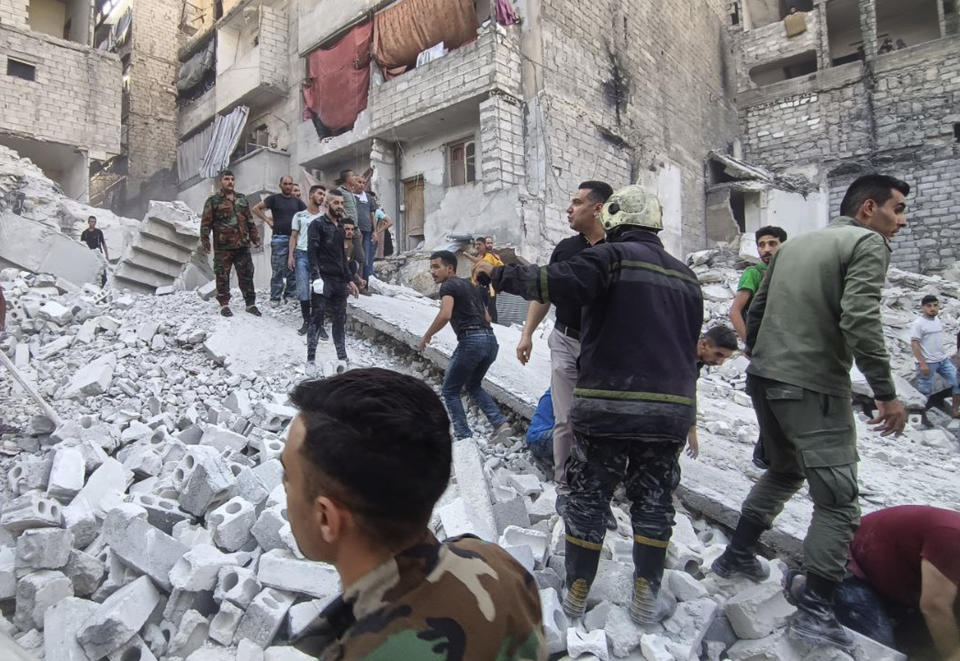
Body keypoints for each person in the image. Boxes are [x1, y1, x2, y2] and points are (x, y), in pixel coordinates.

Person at [475, 185, 703, 626]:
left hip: (610, 405)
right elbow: (688, 348)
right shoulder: (685, 277)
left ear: (614, 220)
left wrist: (495, 274)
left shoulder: (609, 258)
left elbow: (550, 282)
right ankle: (646, 589)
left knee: (589, 494)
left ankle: (578, 588)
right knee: (654, 499)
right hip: (670, 411)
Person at [711, 174, 910, 653]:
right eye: (897, 209)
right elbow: (859, 318)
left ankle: (735, 557)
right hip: (812, 384)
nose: (901, 220)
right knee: (838, 500)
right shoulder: (866, 243)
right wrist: (885, 391)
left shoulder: (796, 247)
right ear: (868, 208)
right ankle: (817, 611)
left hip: (765, 377)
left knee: (784, 470)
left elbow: (753, 313)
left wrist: (763, 358)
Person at [281, 369, 546, 659]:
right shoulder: (498, 565)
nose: (283, 486)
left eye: (287, 475)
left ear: (326, 518)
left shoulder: (360, 651)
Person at [515, 181, 610, 505]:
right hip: (567, 341)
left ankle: (600, 486)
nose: (569, 208)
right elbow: (544, 292)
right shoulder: (567, 250)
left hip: (606, 349)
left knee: (601, 419)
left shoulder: (619, 249)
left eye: (577, 202)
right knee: (565, 419)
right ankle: (565, 487)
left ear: (597, 208)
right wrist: (527, 333)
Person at [826, 505, 960, 659]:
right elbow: (934, 606)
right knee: (880, 654)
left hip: (894, 583)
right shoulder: (953, 538)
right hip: (850, 567)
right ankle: (807, 589)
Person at [419, 250, 512, 442]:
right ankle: (500, 424)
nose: (433, 272)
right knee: (473, 385)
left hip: (471, 340)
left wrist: (427, 335)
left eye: (437, 267)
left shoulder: (448, 285)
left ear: (450, 268)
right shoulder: (471, 286)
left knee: (449, 390)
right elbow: (488, 317)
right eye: (431, 268)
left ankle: (464, 437)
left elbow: (446, 314)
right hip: (490, 342)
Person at [730, 225, 787, 470]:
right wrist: (750, 344)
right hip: (765, 352)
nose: (766, 249)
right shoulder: (755, 273)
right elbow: (735, 311)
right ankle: (766, 456)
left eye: (772, 243)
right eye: (762, 244)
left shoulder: (788, 274)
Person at [305, 189, 359, 375]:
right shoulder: (317, 224)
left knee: (339, 320)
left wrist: (349, 280)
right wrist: (315, 278)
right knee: (316, 319)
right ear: (327, 204)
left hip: (338, 282)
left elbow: (342, 258)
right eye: (336, 203)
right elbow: (311, 254)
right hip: (323, 280)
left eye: (342, 203)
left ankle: (342, 358)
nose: (340, 207)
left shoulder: (340, 228)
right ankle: (310, 360)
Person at [200, 170, 261, 317]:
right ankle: (224, 304)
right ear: (221, 182)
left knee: (246, 274)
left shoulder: (242, 199)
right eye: (227, 179)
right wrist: (205, 240)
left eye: (232, 179)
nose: (230, 182)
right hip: (223, 247)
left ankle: (250, 304)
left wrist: (255, 238)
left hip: (242, 246)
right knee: (222, 275)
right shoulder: (213, 201)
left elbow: (250, 221)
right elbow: (206, 223)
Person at [687, 325, 740, 459]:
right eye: (718, 355)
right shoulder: (680, 356)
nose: (720, 362)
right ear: (704, 344)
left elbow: (688, 394)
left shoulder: (696, 363)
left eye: (725, 358)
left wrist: (692, 431)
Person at [253, 175, 307, 304]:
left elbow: (307, 215)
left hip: (294, 239)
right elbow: (255, 208)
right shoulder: (274, 199)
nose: (288, 186)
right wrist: (267, 220)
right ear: (280, 185)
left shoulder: (297, 201)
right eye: (285, 184)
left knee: (292, 268)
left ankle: (290, 295)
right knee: (277, 269)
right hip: (279, 238)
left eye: (290, 184)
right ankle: (275, 297)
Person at [911, 294, 960, 417]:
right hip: (928, 362)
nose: (933, 308)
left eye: (935, 305)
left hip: (943, 360)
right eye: (929, 306)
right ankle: (921, 416)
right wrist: (922, 363)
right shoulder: (919, 324)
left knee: (956, 382)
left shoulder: (937, 320)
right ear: (923, 307)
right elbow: (914, 344)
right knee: (925, 391)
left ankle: (955, 410)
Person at [289, 185, 326, 335]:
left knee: (319, 289)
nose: (322, 197)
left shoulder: (324, 217)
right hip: (302, 255)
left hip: (319, 257)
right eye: (319, 194)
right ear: (311, 195)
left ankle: (320, 325)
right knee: (303, 289)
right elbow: (293, 236)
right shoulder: (299, 216)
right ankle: (306, 321)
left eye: (324, 195)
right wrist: (290, 255)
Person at [464, 237, 504, 323]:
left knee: (491, 307)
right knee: (479, 306)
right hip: (477, 287)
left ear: (484, 245)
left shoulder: (492, 256)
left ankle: (494, 325)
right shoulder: (478, 257)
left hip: (490, 286)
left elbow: (501, 268)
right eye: (476, 244)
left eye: (480, 244)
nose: (477, 246)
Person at [342, 219, 367, 295]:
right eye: (347, 229)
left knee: (354, 264)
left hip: (344, 272)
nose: (350, 232)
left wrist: (359, 279)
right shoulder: (337, 243)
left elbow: (348, 265)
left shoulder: (351, 246)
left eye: (352, 230)